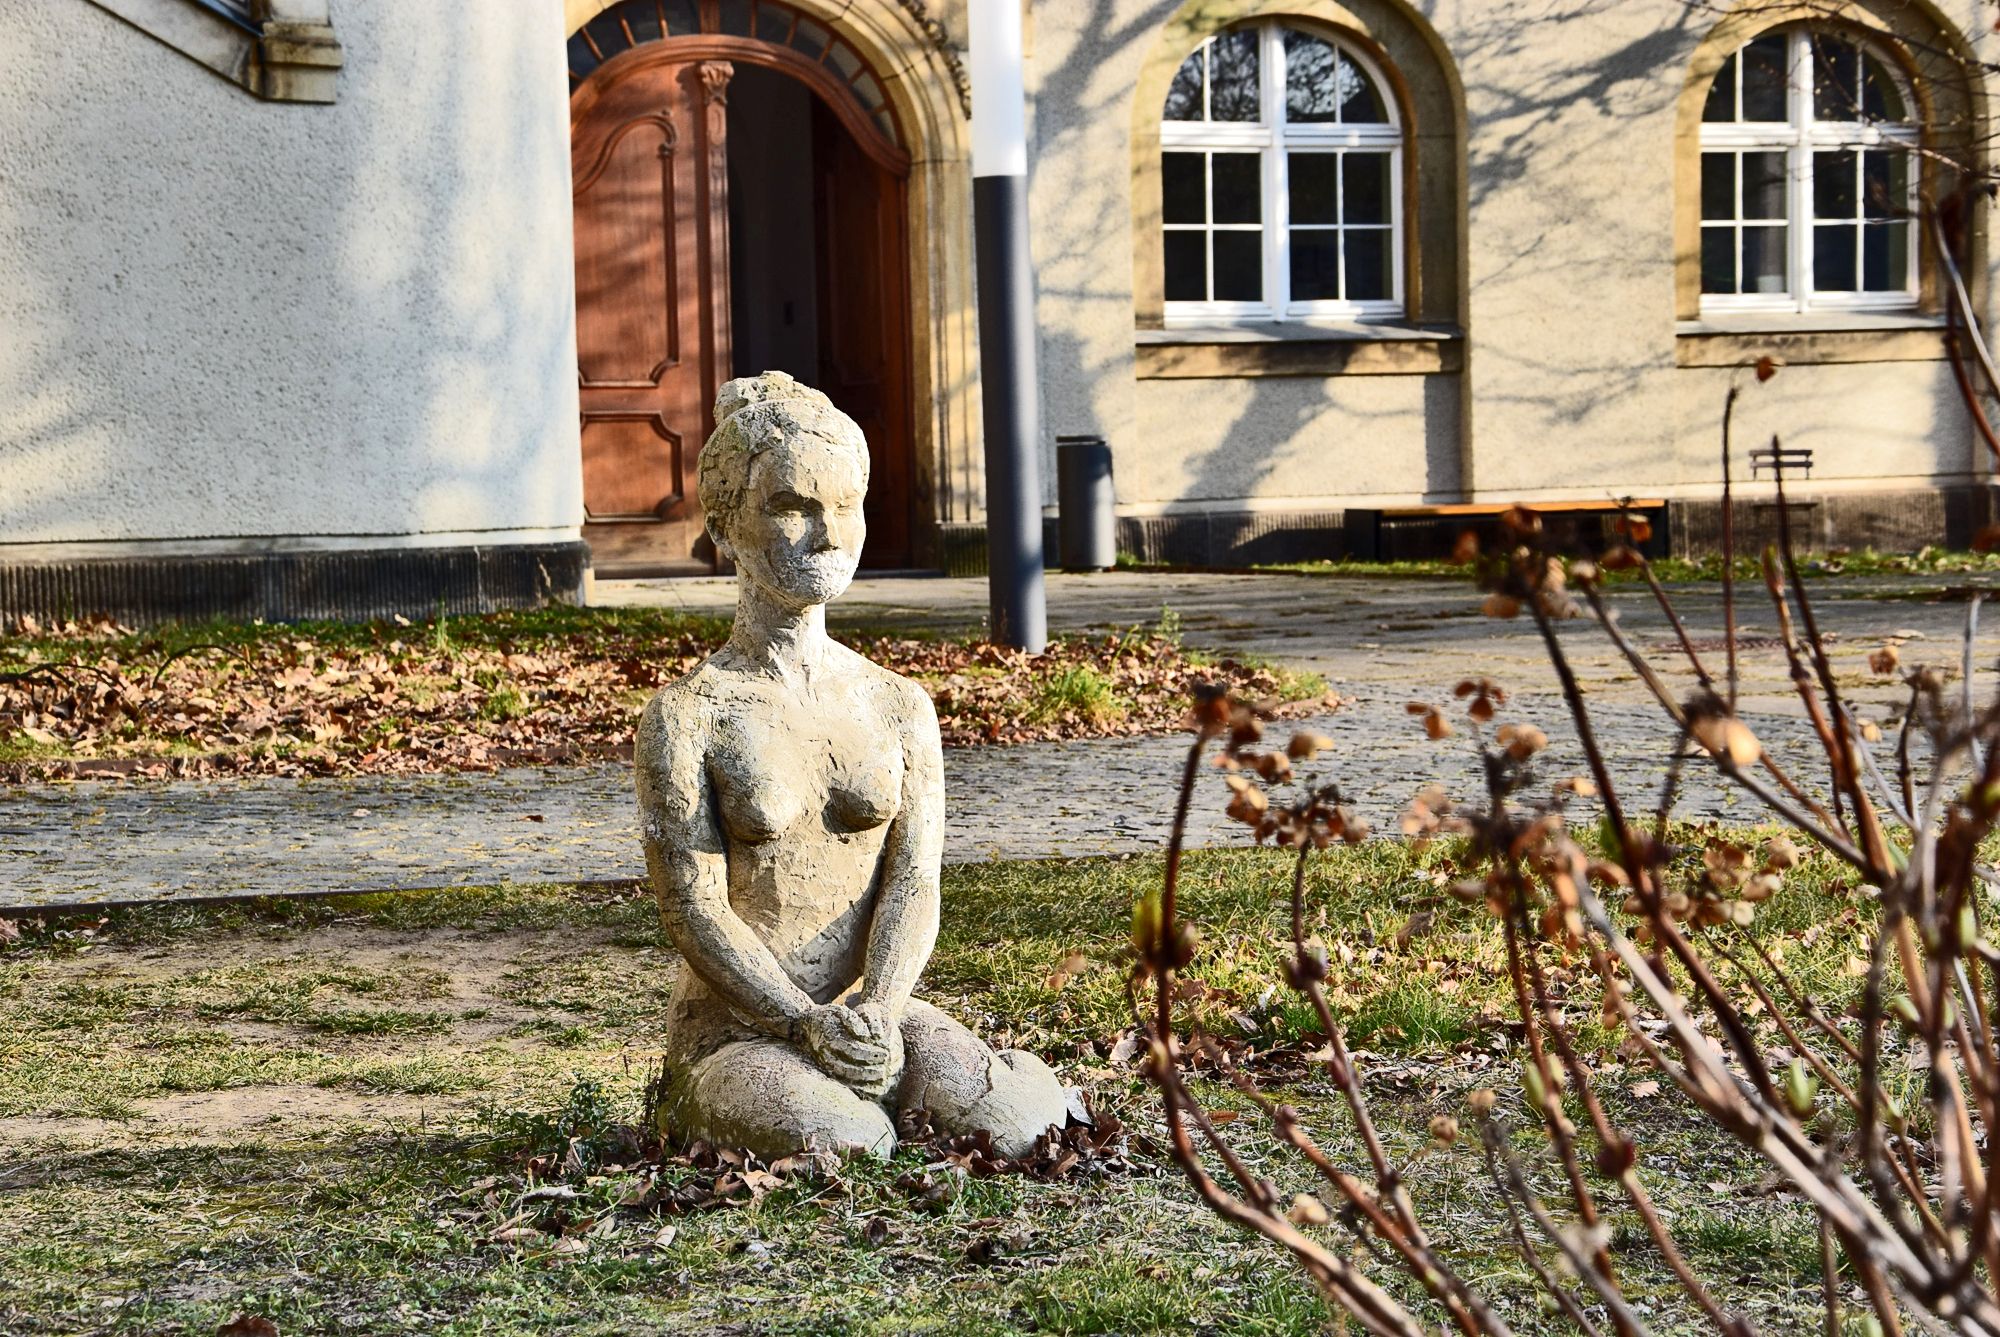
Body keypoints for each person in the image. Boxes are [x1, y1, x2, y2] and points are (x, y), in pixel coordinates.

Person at [636, 371, 1068, 1159]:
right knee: (852, 1141)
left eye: (844, 505)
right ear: (727, 526)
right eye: (793, 507)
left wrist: (881, 1004)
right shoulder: (689, 712)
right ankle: (701, 1100)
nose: (828, 534)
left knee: (1023, 1129)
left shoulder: (899, 704)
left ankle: (996, 1077)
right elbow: (694, 912)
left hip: (871, 1014)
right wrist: (801, 1019)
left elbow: (914, 880)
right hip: (740, 1031)